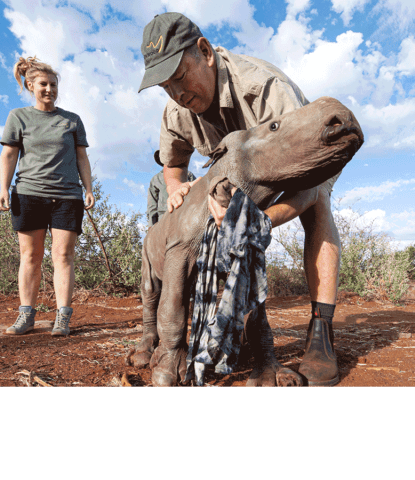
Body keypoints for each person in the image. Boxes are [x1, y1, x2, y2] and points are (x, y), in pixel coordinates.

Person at [138, 13, 343, 386]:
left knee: (319, 205)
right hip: (237, 179)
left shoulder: (264, 88)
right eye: (166, 87)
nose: (177, 93)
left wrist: (257, 219)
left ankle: (321, 331)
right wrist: (175, 189)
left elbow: (309, 185)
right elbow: (173, 164)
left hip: (307, 158)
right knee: (235, 241)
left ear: (204, 51)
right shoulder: (176, 110)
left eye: (181, 76)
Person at [0, 56, 94, 337]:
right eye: (43, 84)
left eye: (53, 84)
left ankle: (62, 318)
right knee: (30, 256)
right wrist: (3, 188)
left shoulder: (72, 120)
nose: (49, 89)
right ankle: (26, 316)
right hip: (28, 194)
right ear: (30, 85)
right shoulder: (18, 117)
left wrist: (88, 189)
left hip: (67, 196)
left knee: (63, 255)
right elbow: (9, 154)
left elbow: (82, 157)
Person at [146, 149, 195, 227]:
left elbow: (196, 196)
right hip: (164, 220)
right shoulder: (156, 179)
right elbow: (152, 206)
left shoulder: (189, 175)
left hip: (184, 217)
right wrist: (151, 226)